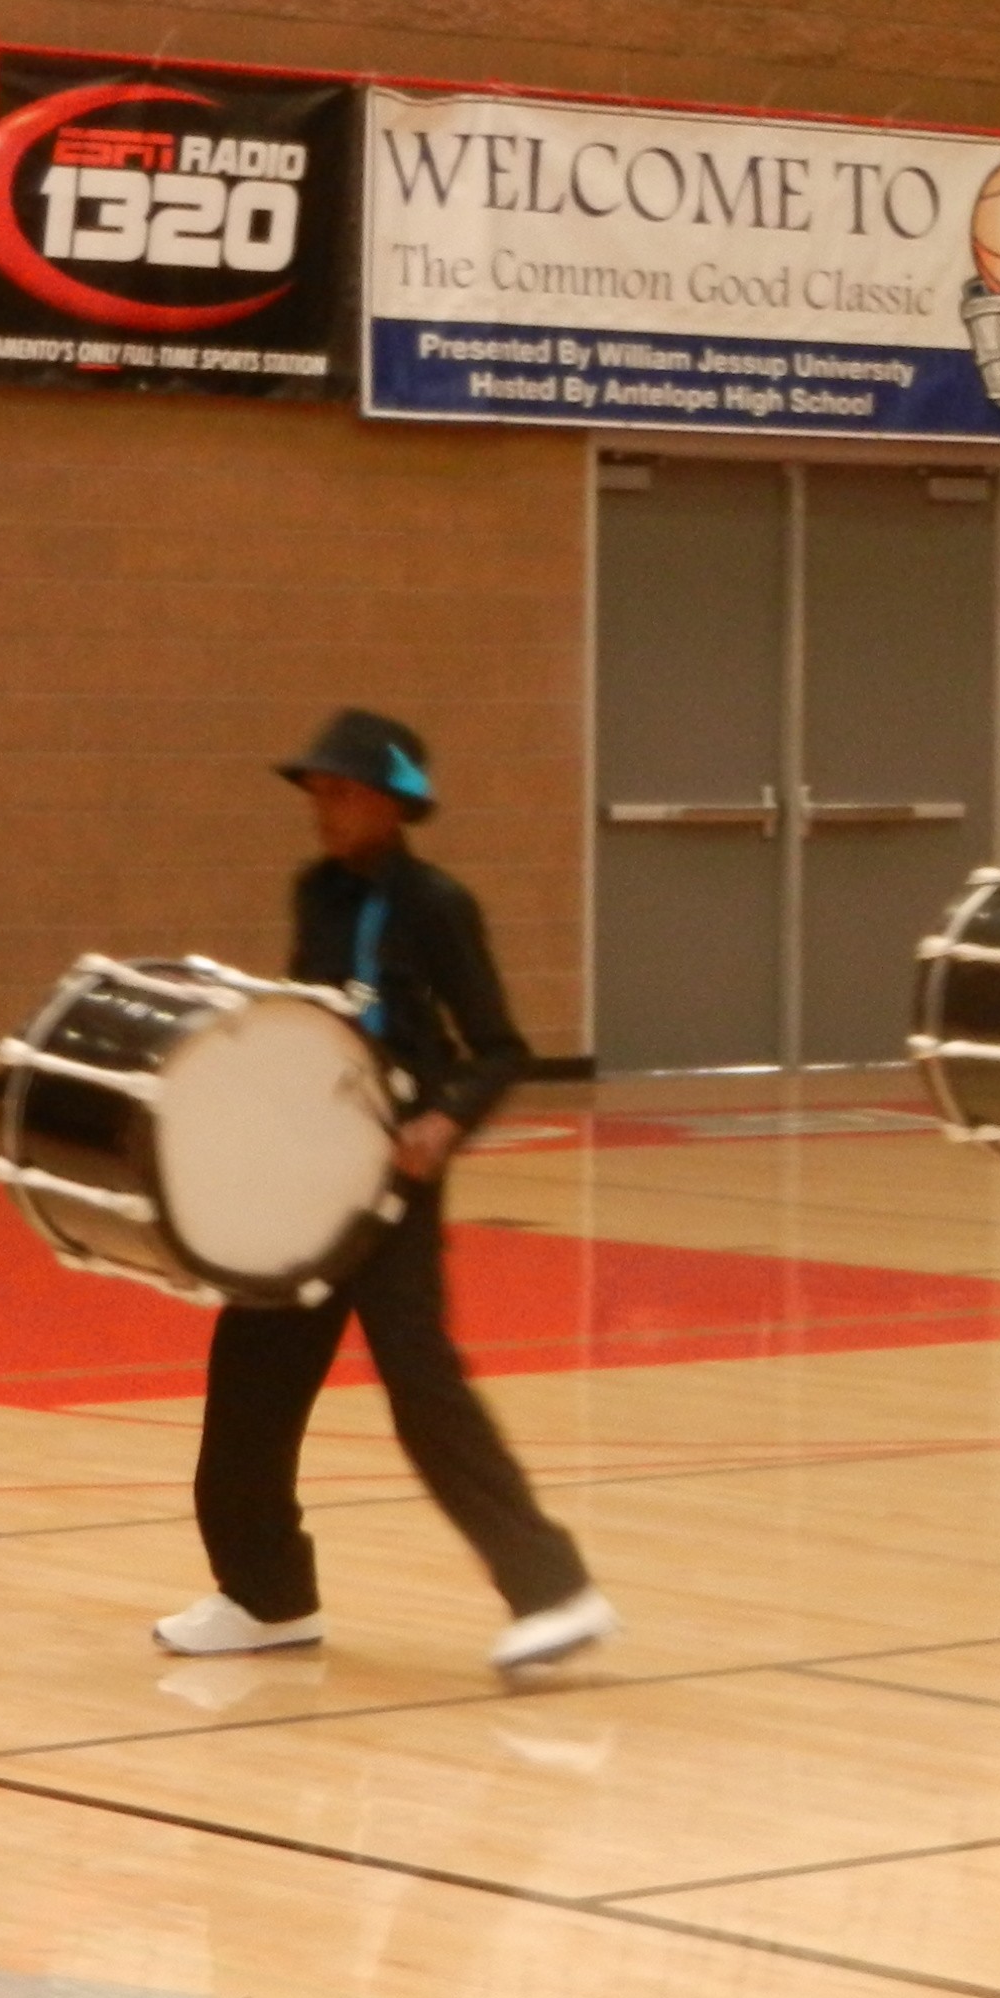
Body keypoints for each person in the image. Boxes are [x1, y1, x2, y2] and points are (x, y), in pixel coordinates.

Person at [155, 710, 616, 1677]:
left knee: (420, 1385)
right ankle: (266, 1594)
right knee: (251, 1379)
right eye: (316, 793)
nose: (322, 811)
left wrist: (442, 1123)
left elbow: (498, 1048)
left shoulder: (438, 906)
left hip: (397, 1184)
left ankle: (555, 1592)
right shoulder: (315, 893)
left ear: (388, 804)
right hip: (312, 1174)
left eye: (340, 793)